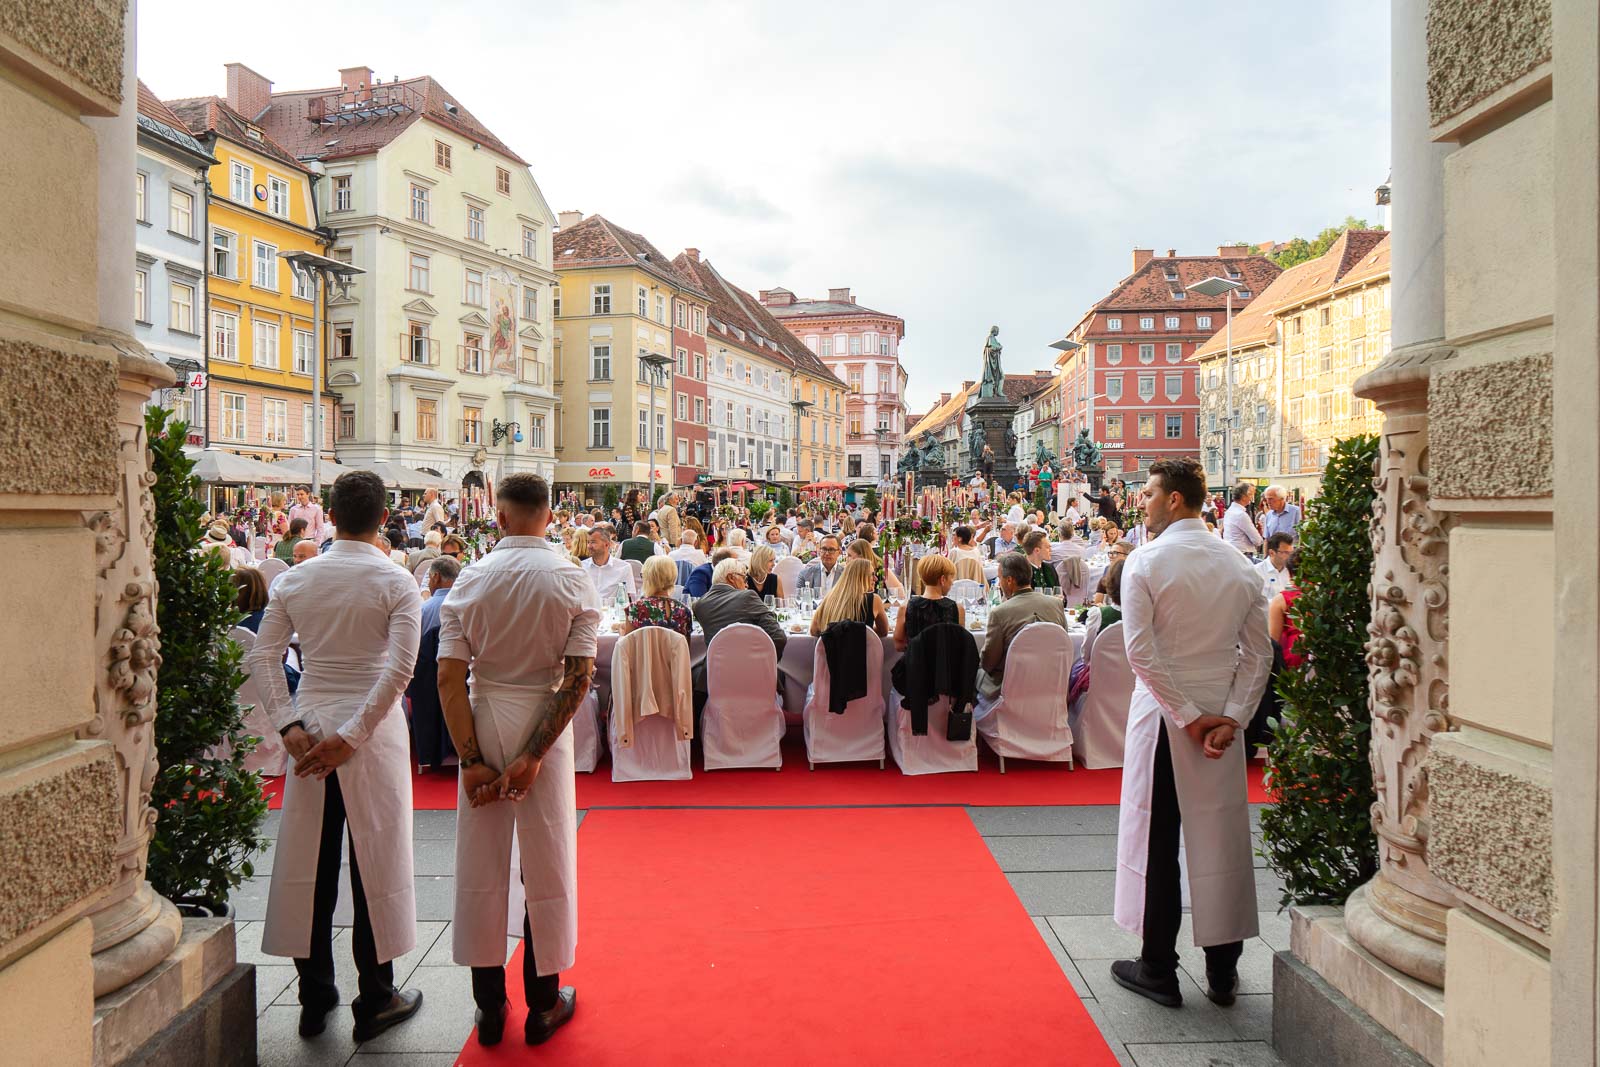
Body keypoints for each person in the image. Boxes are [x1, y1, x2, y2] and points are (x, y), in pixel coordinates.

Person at [246, 470, 424, 1043]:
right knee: (378, 854)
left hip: (315, 716)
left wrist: (291, 725)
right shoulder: (395, 581)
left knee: (310, 863)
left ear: (331, 513)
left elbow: (263, 658)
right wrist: (354, 733)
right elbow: (399, 670)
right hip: (369, 729)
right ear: (382, 519)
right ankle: (375, 994)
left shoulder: (298, 579)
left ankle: (313, 993)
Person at [435, 473, 595, 1047]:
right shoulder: (571, 579)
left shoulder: (470, 581)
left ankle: (488, 1003)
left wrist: (470, 758)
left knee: (481, 860)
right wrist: (532, 755)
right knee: (546, 858)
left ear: (499, 518)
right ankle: (544, 999)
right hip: (540, 715)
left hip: (482, 709)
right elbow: (578, 679)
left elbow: (448, 677)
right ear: (549, 516)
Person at [1110, 457, 1273, 1011]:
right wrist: (1233, 716)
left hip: (1163, 715)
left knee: (1157, 839)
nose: (1144, 502)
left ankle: (1157, 964)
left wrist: (1186, 714)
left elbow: (1140, 651)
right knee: (1221, 836)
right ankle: (1223, 969)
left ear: (1173, 498)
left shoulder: (1146, 562)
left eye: (1150, 493)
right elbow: (1259, 653)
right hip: (1219, 715)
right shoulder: (1240, 564)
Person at [975, 553, 1068, 703]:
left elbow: (988, 663)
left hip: (1009, 689)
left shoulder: (1000, 612)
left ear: (1009, 580)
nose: (999, 583)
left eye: (1000, 578)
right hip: (1049, 686)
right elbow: (1062, 646)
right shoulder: (1056, 605)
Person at [690, 557, 787, 700]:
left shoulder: (699, 605)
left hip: (716, 677)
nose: (747, 584)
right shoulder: (747, 597)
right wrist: (764, 662)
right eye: (744, 578)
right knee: (782, 673)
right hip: (753, 675)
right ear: (731, 578)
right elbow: (778, 637)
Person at [407, 556, 459, 772]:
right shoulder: (467, 608)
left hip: (425, 682)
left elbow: (411, 650)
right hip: (462, 678)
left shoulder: (422, 610)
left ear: (436, 578)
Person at [893, 555, 963, 651]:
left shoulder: (905, 607)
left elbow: (898, 646)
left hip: (916, 664)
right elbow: (960, 645)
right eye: (951, 578)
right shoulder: (957, 609)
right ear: (943, 579)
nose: (952, 583)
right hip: (946, 665)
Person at [809, 557, 888, 637]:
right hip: (860, 649)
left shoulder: (829, 599)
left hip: (832, 649)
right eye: (872, 574)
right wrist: (862, 631)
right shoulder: (874, 600)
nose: (876, 579)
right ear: (860, 577)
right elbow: (883, 632)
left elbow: (814, 631)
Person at [618, 556, 693, 638]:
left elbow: (629, 647)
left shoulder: (635, 609)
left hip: (643, 651)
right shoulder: (684, 612)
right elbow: (686, 648)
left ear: (648, 578)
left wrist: (622, 636)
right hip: (673, 651)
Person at [1268, 549, 1304, 669]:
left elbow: (1273, 642)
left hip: (1294, 657)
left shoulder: (1281, 599)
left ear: (1289, 573)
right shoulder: (1329, 594)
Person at [581, 527, 635, 604]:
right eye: (588, 542)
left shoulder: (624, 568)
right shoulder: (582, 567)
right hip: (588, 613)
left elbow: (630, 599)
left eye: (593, 542)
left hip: (613, 613)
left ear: (606, 544)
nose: (589, 546)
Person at [1222, 482, 1264, 557]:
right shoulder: (1241, 514)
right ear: (1243, 496)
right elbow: (1257, 541)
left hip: (1232, 552)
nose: (1252, 498)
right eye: (1250, 494)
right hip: (1242, 554)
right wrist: (1260, 532)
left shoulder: (1229, 512)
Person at [1018, 530, 1061, 596]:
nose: (1050, 550)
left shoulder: (1049, 568)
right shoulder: (1020, 571)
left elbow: (1059, 593)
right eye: (1047, 547)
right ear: (1037, 550)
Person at [1256, 533, 1294, 598]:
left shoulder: (1291, 571)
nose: (1290, 556)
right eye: (1286, 553)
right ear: (1271, 553)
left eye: (1291, 552)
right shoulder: (1257, 572)